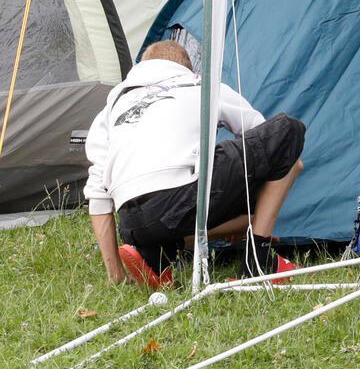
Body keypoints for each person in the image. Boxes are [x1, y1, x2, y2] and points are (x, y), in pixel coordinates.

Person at [84, 41, 306, 288]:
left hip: (132, 224)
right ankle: (258, 260)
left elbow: (97, 194)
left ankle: (155, 254)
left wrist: (116, 275)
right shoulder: (201, 84)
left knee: (174, 209)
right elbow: (263, 135)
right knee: (286, 131)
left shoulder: (111, 107)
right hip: (181, 199)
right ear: (186, 67)